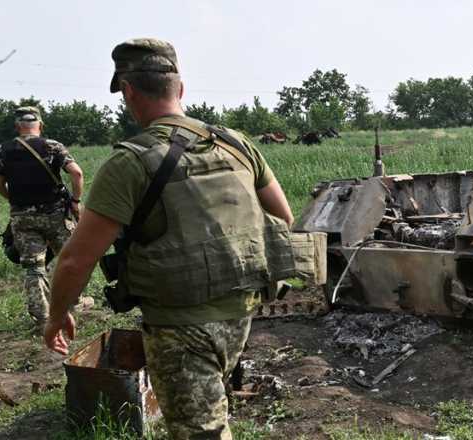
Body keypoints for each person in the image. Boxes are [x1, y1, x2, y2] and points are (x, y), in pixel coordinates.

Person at [43, 38, 296, 439]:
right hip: (241, 311)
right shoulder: (236, 144)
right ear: (180, 88)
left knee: (200, 431)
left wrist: (58, 314)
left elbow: (76, 260)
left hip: (180, 326)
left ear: (127, 91)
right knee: (210, 412)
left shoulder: (130, 162)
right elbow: (283, 218)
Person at [0, 106, 83, 330]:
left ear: (17, 127)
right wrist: (75, 201)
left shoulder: (3, 150)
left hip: (23, 218)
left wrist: (16, 201)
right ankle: (72, 302)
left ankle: (43, 318)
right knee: (68, 259)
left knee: (34, 267)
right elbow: (77, 173)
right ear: (40, 125)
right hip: (56, 215)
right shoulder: (53, 146)